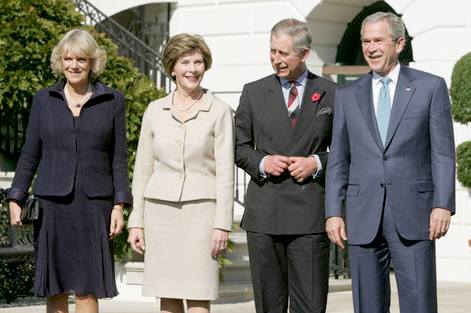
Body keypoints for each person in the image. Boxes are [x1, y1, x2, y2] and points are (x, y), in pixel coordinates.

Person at [325, 12, 455, 313]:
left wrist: (442, 204)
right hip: (362, 216)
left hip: (415, 213)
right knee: (367, 306)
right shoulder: (346, 95)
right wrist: (333, 211)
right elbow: (339, 159)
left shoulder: (430, 87)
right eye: (365, 41)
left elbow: (442, 153)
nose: (371, 48)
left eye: (378, 40)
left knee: (419, 304)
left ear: (399, 43)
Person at [7, 29, 131, 313]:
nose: (74, 65)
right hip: (53, 205)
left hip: (94, 205)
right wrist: (16, 198)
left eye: (81, 60)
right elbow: (29, 154)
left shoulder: (113, 100)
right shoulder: (44, 100)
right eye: (68, 59)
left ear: (93, 63)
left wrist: (119, 205)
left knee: (88, 290)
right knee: (56, 287)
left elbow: (119, 158)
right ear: (60, 62)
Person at [127, 33, 234, 313]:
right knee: (167, 294)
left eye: (198, 62)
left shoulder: (219, 111)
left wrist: (222, 223)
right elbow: (142, 171)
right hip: (159, 215)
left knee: (199, 294)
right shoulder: (154, 111)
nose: (193, 69)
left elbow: (225, 172)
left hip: (202, 216)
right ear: (172, 67)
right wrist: (136, 221)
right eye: (185, 62)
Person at [235, 18, 336, 313]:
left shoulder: (331, 93)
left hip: (310, 217)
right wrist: (263, 162)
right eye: (272, 51)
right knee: (269, 306)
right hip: (265, 215)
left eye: (283, 53)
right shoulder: (253, 92)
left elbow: (347, 150)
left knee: (311, 305)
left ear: (304, 54)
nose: (276, 59)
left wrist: (316, 162)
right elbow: (238, 147)